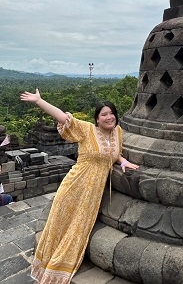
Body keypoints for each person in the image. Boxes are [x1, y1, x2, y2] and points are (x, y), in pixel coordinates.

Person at [20, 88, 139, 284]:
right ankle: (48, 265)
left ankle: (61, 264)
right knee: (60, 221)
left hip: (92, 193)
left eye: (112, 113)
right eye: (104, 114)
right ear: (97, 119)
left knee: (78, 227)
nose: (109, 117)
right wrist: (39, 101)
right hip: (75, 184)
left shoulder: (118, 132)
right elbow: (63, 118)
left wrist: (122, 161)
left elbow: (112, 151)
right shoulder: (87, 130)